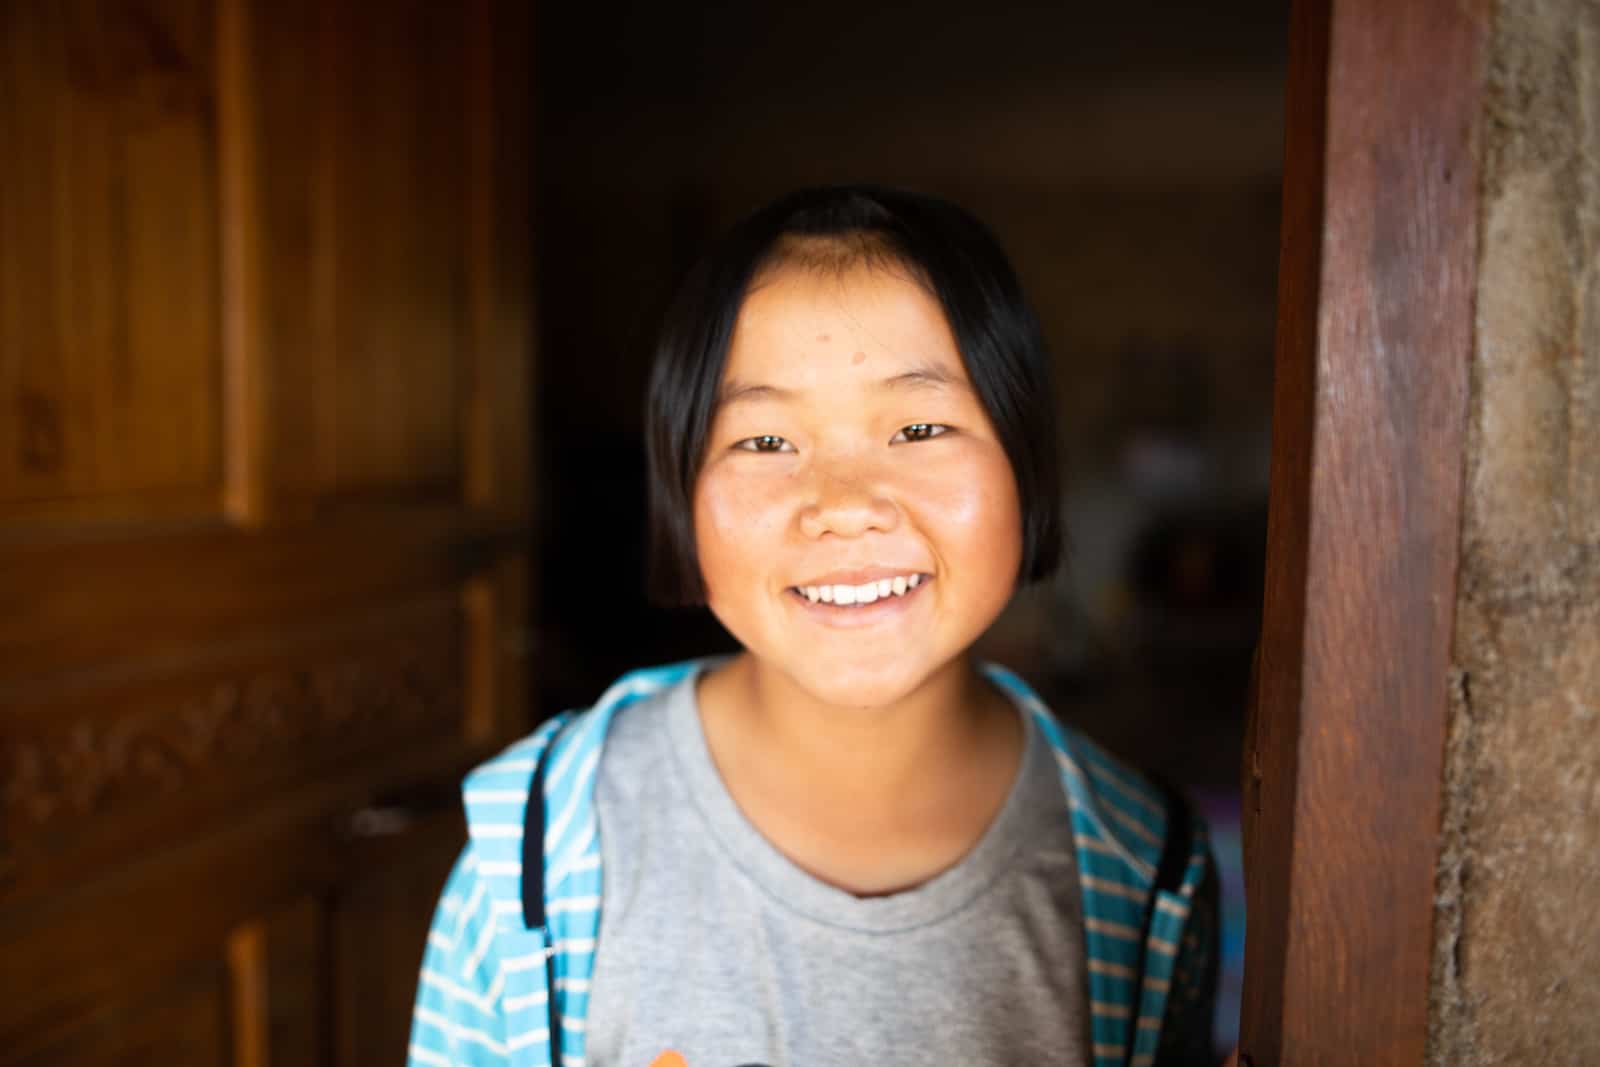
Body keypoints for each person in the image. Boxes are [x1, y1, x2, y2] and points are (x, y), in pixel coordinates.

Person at [408, 186, 1219, 1067]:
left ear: (1028, 464)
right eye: (765, 443)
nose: (843, 505)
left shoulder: (1144, 870)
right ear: (680, 490)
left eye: (918, 426)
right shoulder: (539, 846)